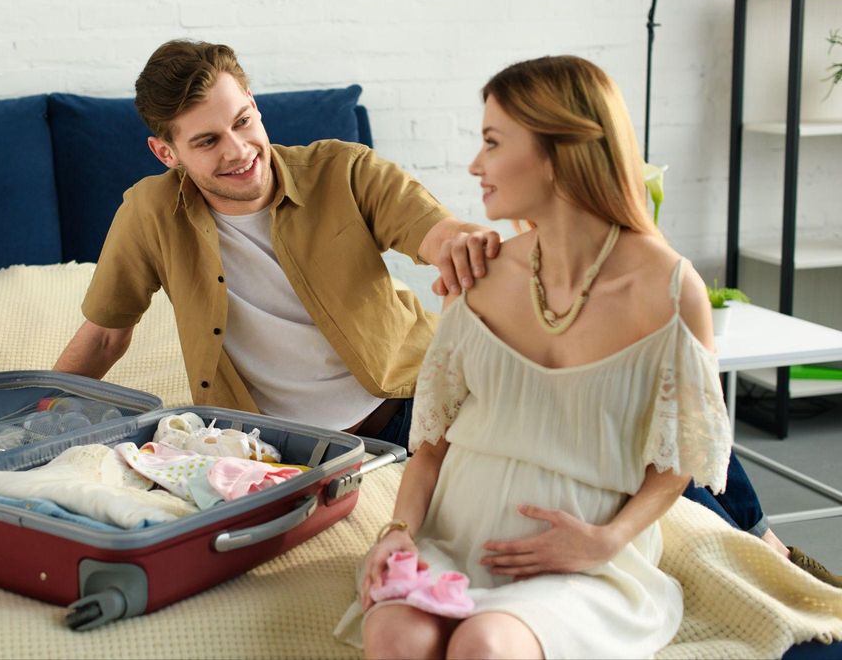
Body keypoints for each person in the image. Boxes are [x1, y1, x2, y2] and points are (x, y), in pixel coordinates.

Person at [331, 55, 817, 658]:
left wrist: (607, 540)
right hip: (452, 538)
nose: (475, 165)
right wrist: (399, 532)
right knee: (395, 634)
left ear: (559, 152)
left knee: (486, 643)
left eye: (491, 142)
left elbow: (678, 463)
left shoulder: (669, 290)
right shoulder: (480, 274)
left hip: (580, 566)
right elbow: (429, 445)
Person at [53, 39, 499, 447]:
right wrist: (29, 420)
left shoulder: (345, 170)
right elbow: (104, 338)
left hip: (410, 411)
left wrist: (467, 246)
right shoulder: (150, 213)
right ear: (166, 153)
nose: (238, 151)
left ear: (253, 104)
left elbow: (439, 232)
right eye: (207, 141)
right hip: (271, 452)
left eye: (242, 122)